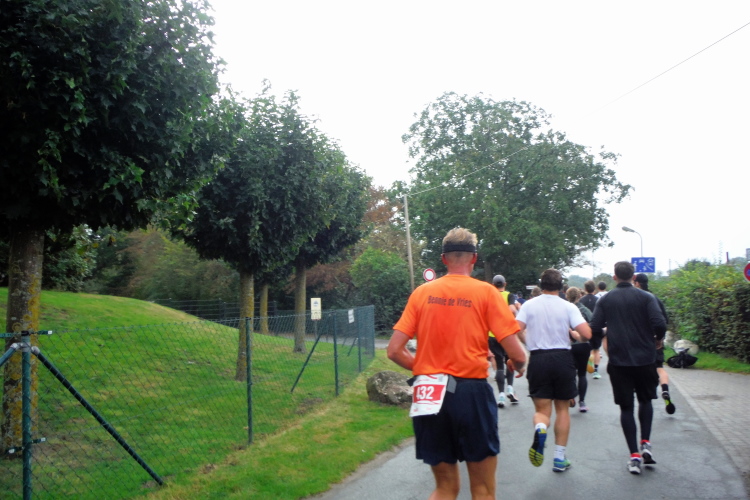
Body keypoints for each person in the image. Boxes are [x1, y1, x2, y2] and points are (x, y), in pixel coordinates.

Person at [387, 227, 527, 500]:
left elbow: (394, 351)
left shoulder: (421, 293)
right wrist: (518, 366)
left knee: (444, 487)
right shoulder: (486, 293)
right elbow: (518, 355)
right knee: (483, 489)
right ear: (474, 258)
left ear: (443, 259)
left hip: (429, 393)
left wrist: (427, 370)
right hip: (470, 391)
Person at [589, 262, 667, 475]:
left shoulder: (606, 300)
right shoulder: (646, 298)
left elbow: (594, 327)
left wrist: (607, 334)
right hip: (645, 359)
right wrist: (657, 339)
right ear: (634, 277)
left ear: (614, 277)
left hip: (620, 361)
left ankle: (634, 456)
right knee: (645, 401)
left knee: (626, 408)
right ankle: (646, 443)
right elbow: (660, 323)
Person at [515, 269, 591, 473]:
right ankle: (559, 458)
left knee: (542, 411)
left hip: (538, 358)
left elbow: (515, 328)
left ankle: (540, 428)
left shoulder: (529, 305)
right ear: (560, 286)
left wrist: (527, 343)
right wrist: (578, 337)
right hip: (562, 359)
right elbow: (586, 333)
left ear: (542, 284)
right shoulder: (568, 306)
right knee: (563, 409)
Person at [633, 273, 675, 414]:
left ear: (637, 283)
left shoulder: (636, 300)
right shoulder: (655, 299)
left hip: (640, 342)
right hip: (656, 339)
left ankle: (640, 389)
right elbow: (664, 321)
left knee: (640, 369)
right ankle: (665, 389)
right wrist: (659, 338)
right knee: (659, 368)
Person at [489, 274, 521, 408]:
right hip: (506, 334)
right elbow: (513, 309)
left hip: (492, 334)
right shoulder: (509, 295)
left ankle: (501, 396)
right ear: (505, 284)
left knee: (499, 365)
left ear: (493, 285)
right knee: (510, 362)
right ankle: (510, 389)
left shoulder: (490, 296)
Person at [565, 287, 593, 412]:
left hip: (567, 344)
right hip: (583, 344)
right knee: (582, 374)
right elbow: (593, 323)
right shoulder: (585, 310)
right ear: (579, 296)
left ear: (567, 296)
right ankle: (582, 402)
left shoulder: (564, 309)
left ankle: (571, 396)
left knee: (569, 373)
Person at [580, 280, 603, 379]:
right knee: (596, 349)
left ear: (585, 289)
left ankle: (586, 364)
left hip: (585, 327)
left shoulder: (581, 300)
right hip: (597, 327)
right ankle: (596, 371)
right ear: (594, 288)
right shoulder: (599, 300)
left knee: (587, 348)